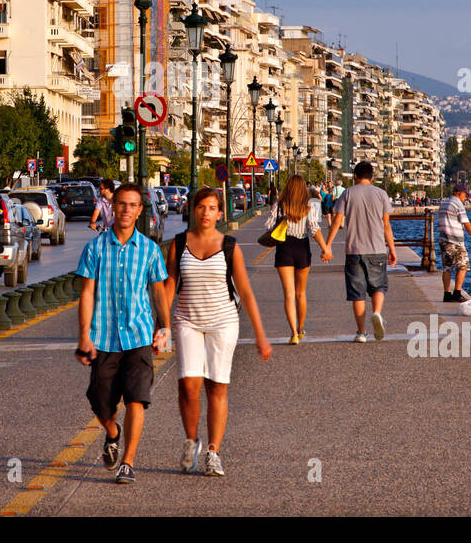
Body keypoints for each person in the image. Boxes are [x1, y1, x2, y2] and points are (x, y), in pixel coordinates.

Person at [162, 187, 271, 476]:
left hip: (223, 322)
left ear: (221, 213)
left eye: (212, 208)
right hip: (187, 320)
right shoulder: (179, 243)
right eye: (201, 207)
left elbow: (245, 291)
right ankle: (191, 440)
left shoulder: (229, 246)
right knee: (188, 385)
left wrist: (260, 334)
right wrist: (163, 325)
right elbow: (169, 286)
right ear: (193, 210)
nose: (206, 213)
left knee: (217, 386)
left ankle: (213, 451)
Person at [74, 182, 169, 485]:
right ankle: (113, 433)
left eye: (133, 205)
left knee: (136, 400)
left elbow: (158, 291)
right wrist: (84, 336)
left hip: (138, 336)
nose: (127, 210)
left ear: (140, 210)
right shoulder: (96, 247)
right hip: (103, 338)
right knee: (100, 401)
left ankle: (128, 462)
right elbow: (87, 293)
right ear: (113, 207)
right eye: (122, 204)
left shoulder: (150, 250)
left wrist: (163, 326)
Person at [323, 162, 396, 343]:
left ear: (355, 176)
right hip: (378, 249)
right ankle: (377, 313)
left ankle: (362, 332)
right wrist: (392, 250)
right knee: (379, 286)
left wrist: (328, 246)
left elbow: (337, 220)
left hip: (354, 251)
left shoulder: (348, 193)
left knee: (358, 293)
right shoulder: (382, 194)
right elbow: (386, 225)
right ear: (372, 177)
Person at [267, 175, 332, 344]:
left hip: (284, 248)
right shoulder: (308, 206)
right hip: (302, 248)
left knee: (288, 294)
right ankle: (301, 328)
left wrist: (281, 221)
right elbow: (314, 229)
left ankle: (294, 333)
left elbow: (268, 226)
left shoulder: (280, 205)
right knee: (300, 293)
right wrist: (325, 248)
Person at [438, 183, 471, 302]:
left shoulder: (444, 203)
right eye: (465, 195)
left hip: (443, 239)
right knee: (463, 265)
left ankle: (447, 294)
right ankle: (457, 293)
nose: (466, 197)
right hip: (455, 241)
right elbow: (466, 224)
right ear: (459, 193)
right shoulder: (458, 204)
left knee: (447, 267)